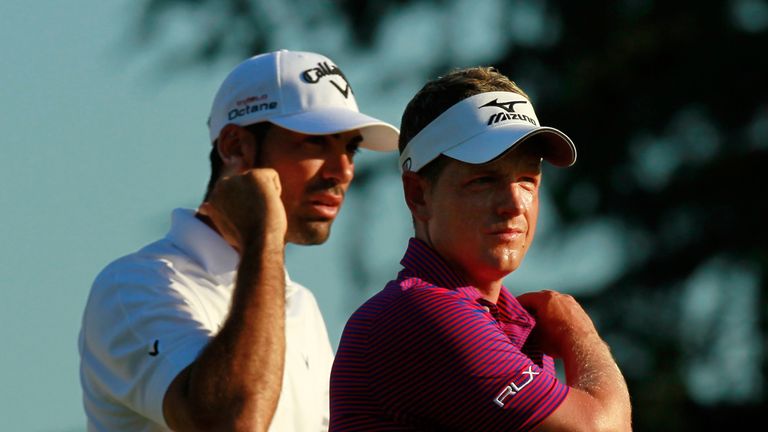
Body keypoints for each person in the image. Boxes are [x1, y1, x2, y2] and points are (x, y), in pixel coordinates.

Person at [79, 49, 399, 432]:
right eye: (315, 143)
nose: (343, 171)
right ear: (234, 146)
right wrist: (263, 235)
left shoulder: (299, 304)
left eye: (350, 148)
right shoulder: (132, 285)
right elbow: (232, 423)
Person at [329, 67, 632, 431]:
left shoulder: (504, 320)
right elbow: (599, 429)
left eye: (527, 180)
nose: (514, 203)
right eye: (484, 179)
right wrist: (578, 332)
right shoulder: (420, 313)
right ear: (418, 195)